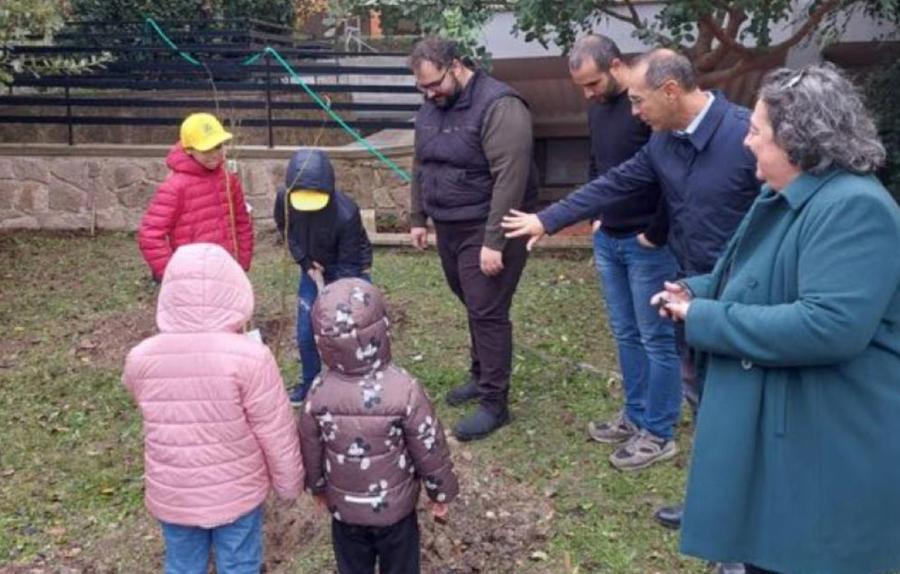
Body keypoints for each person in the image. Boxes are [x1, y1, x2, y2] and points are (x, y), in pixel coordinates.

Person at [653, 63, 900, 574]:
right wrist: (695, 291)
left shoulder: (854, 207)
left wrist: (706, 316)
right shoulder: (784, 196)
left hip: (828, 446)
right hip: (794, 431)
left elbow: (829, 326)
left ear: (798, 141)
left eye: (755, 131)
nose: (747, 143)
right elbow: (752, 278)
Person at [503, 49, 759, 474]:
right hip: (692, 289)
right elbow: (616, 181)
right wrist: (548, 219)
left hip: (745, 297)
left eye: (640, 100)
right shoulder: (663, 143)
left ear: (671, 91)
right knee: (699, 393)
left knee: (739, 405)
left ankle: (734, 493)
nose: (634, 110)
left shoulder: (745, 136)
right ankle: (712, 493)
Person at [122, 243, 303, 573]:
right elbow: (274, 428)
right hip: (238, 492)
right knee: (240, 563)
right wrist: (289, 483)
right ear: (234, 290)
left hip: (174, 493)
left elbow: (139, 395)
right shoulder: (251, 358)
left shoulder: (142, 357)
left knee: (182, 564)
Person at [408, 36, 539, 441]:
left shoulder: (502, 106)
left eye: (435, 84)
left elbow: (510, 177)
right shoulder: (432, 107)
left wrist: (494, 240)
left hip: (487, 225)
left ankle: (494, 403)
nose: (430, 94)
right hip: (449, 224)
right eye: (423, 88)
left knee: (487, 310)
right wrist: (417, 217)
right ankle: (480, 373)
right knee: (473, 301)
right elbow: (421, 162)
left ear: (457, 65)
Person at [566, 35, 682, 471]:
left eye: (593, 83)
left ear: (616, 66)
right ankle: (634, 416)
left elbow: (673, 177)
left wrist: (655, 233)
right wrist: (597, 214)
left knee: (657, 338)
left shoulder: (646, 108)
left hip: (647, 245)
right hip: (609, 238)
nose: (588, 93)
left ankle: (659, 430)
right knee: (626, 333)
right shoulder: (597, 108)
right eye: (582, 87)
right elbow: (598, 165)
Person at [299, 278, 459, 574]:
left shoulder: (319, 389)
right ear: (382, 328)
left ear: (322, 339)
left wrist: (317, 487)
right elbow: (429, 446)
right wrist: (440, 493)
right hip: (395, 516)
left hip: (345, 513)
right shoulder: (405, 389)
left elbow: (310, 446)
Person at [273, 148, 373, 405]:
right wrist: (306, 263)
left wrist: (331, 295)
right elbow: (287, 231)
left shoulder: (346, 212)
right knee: (306, 332)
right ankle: (310, 384)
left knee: (349, 330)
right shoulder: (285, 199)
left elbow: (350, 263)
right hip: (312, 270)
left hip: (347, 270)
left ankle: (356, 382)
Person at [138, 112, 253, 281]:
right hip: (192, 278)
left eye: (218, 146)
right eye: (206, 149)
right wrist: (173, 275)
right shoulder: (175, 187)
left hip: (227, 270)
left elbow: (242, 221)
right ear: (189, 149)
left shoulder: (229, 181)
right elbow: (150, 235)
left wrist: (242, 262)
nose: (215, 154)